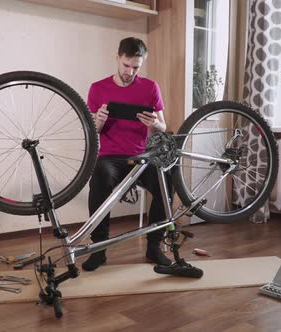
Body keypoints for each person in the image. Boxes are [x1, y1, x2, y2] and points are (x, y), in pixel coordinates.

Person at [82, 37, 171, 271]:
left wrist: (154, 123)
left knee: (166, 181)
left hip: (141, 157)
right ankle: (98, 249)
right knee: (100, 176)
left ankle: (154, 247)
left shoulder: (150, 87)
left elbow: (163, 126)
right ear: (117, 58)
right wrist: (98, 121)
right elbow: (92, 133)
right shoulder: (98, 88)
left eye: (136, 67)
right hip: (110, 158)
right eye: (126, 65)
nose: (130, 72)